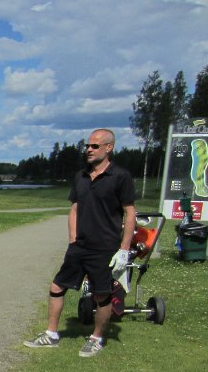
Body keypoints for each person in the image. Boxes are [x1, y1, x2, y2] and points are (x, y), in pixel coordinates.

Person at [24, 128, 136, 357]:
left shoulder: (120, 176)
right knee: (57, 287)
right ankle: (51, 334)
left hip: (104, 247)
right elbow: (74, 209)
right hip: (79, 247)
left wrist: (124, 250)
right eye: (88, 146)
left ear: (109, 148)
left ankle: (96, 338)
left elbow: (130, 212)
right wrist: (73, 239)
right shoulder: (81, 176)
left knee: (101, 295)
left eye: (95, 146)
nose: (89, 150)